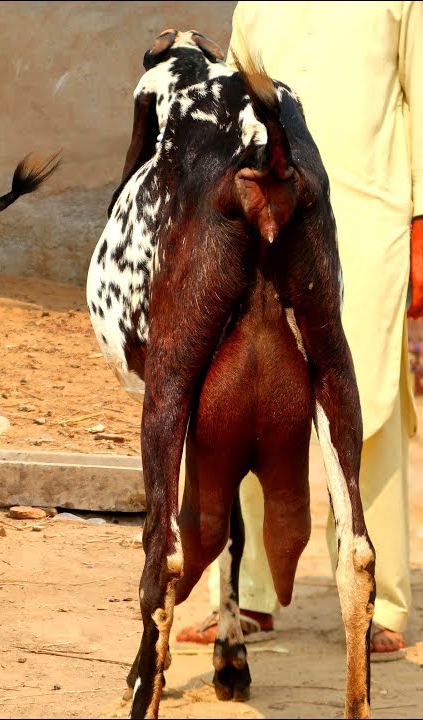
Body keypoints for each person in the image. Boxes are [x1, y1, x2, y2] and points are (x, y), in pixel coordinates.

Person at [178, 1, 421, 662]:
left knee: (369, 407)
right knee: (251, 398)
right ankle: (248, 593)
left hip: (369, 222)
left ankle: (379, 602)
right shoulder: (257, 5)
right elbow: (233, 110)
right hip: (273, 226)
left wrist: (422, 223)